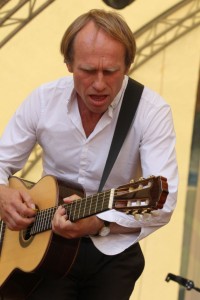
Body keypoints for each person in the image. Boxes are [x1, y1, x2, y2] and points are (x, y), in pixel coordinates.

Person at [0, 9, 178, 300]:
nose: (99, 83)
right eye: (87, 70)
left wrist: (101, 221)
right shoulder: (43, 101)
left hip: (113, 253)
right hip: (45, 247)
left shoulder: (151, 112)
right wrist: (2, 194)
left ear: (128, 65)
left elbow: (164, 199)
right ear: (69, 64)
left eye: (110, 71)